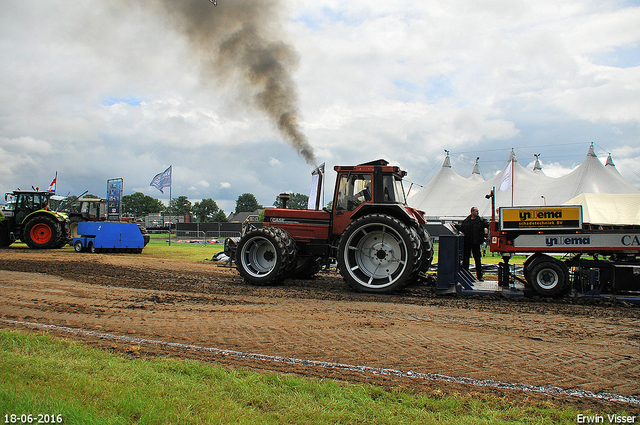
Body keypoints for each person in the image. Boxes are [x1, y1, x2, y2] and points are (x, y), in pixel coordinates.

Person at [455, 206, 489, 281]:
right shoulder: (467, 221)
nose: (478, 212)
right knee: (466, 260)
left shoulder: (481, 221)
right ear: (472, 212)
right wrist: (455, 226)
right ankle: (465, 274)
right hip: (467, 243)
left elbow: (487, 225)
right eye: (476, 211)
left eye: (478, 211)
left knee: (477, 260)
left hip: (476, 243)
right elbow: (462, 228)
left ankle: (480, 276)